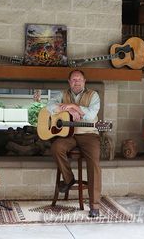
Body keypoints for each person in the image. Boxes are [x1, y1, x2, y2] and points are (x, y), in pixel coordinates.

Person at [46, 69, 101, 218]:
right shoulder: (62, 94)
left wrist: (74, 107)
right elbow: (49, 106)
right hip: (68, 134)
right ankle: (69, 179)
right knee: (56, 147)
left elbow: (90, 115)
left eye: (79, 79)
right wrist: (68, 106)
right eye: (74, 80)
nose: (77, 82)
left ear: (84, 81)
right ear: (69, 82)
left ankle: (94, 205)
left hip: (88, 134)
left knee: (94, 163)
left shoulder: (93, 95)